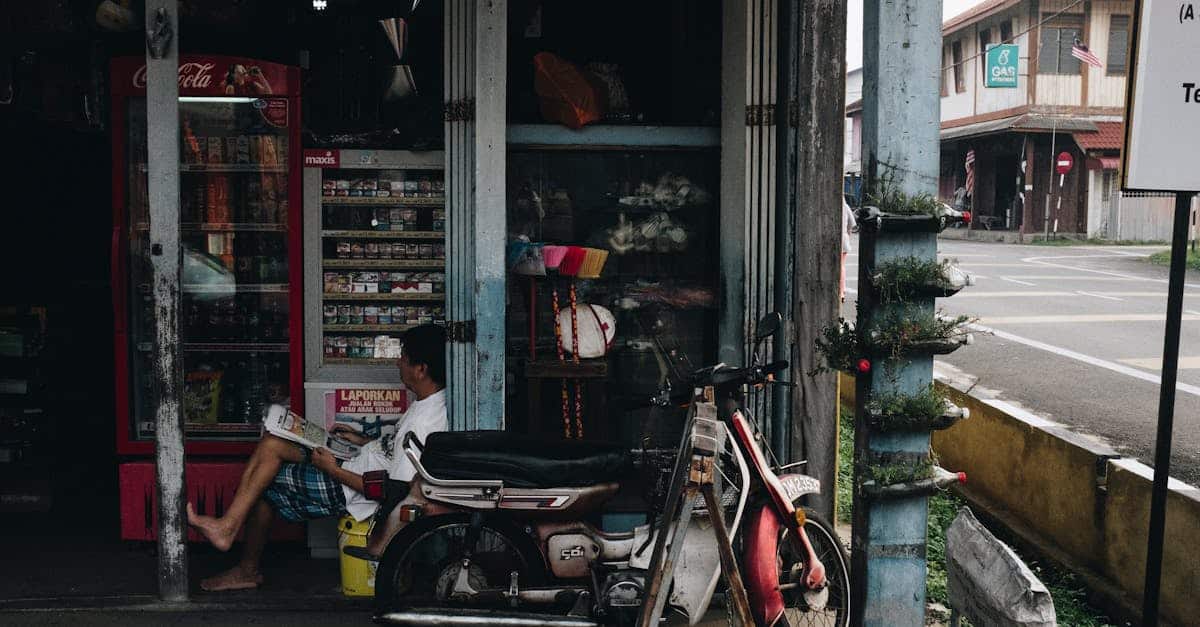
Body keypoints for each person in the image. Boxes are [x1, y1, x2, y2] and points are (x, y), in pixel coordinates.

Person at [187, 324, 448, 592]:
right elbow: (396, 452)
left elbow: (391, 490)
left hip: (349, 488)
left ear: (421, 369)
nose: (398, 363)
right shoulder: (430, 402)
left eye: (403, 358)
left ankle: (238, 553)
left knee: (265, 479)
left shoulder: (425, 420)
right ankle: (233, 538)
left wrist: (331, 469)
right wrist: (362, 441)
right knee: (273, 443)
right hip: (354, 460)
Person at [841, 198, 856, 302]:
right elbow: (852, 223)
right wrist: (847, 233)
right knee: (842, 266)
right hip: (844, 239)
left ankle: (840, 291)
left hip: (837, 238)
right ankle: (842, 291)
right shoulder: (845, 207)